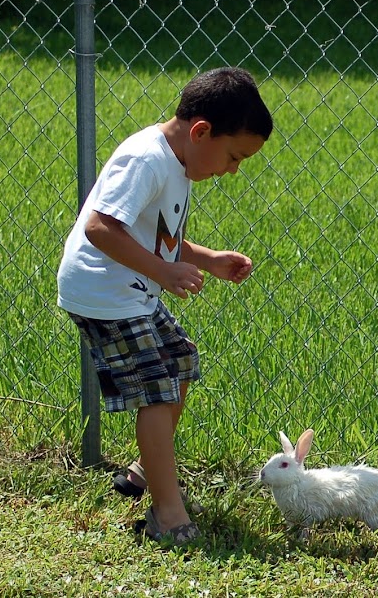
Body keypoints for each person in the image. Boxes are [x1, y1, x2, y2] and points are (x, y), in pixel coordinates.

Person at [57, 66, 273, 544]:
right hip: (102, 291)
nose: (232, 170)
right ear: (201, 131)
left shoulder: (179, 161)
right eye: (234, 156)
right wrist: (165, 272)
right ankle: (168, 513)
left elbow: (154, 236)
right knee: (155, 388)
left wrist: (206, 258)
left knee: (179, 360)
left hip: (130, 288)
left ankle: (144, 473)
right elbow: (99, 227)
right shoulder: (146, 160)